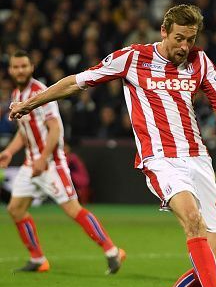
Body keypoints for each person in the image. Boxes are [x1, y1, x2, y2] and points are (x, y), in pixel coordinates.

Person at [9, 5, 216, 287]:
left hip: (199, 160)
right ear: (163, 32)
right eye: (179, 38)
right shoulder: (132, 58)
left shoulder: (201, 62)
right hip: (160, 160)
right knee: (192, 221)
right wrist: (30, 103)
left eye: (190, 39)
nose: (184, 46)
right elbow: (76, 83)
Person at [0, 50, 126, 274]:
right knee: (15, 209)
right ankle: (38, 260)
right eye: (15, 67)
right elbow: (24, 131)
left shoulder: (41, 92)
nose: (20, 70)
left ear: (31, 68)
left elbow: (55, 128)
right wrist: (9, 151)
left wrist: (43, 157)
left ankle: (112, 251)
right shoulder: (18, 93)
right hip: (32, 164)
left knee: (72, 209)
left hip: (50, 164)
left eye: (23, 66)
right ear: (10, 70)